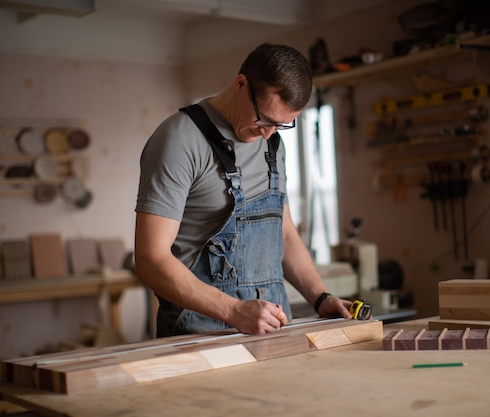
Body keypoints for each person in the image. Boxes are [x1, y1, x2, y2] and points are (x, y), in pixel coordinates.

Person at [135, 43, 352, 338]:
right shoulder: (180, 140)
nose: (268, 133)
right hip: (199, 335)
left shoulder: (272, 143)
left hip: (271, 330)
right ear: (240, 84)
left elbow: (285, 234)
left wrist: (320, 297)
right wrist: (234, 311)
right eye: (264, 119)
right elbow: (151, 259)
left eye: (282, 125)